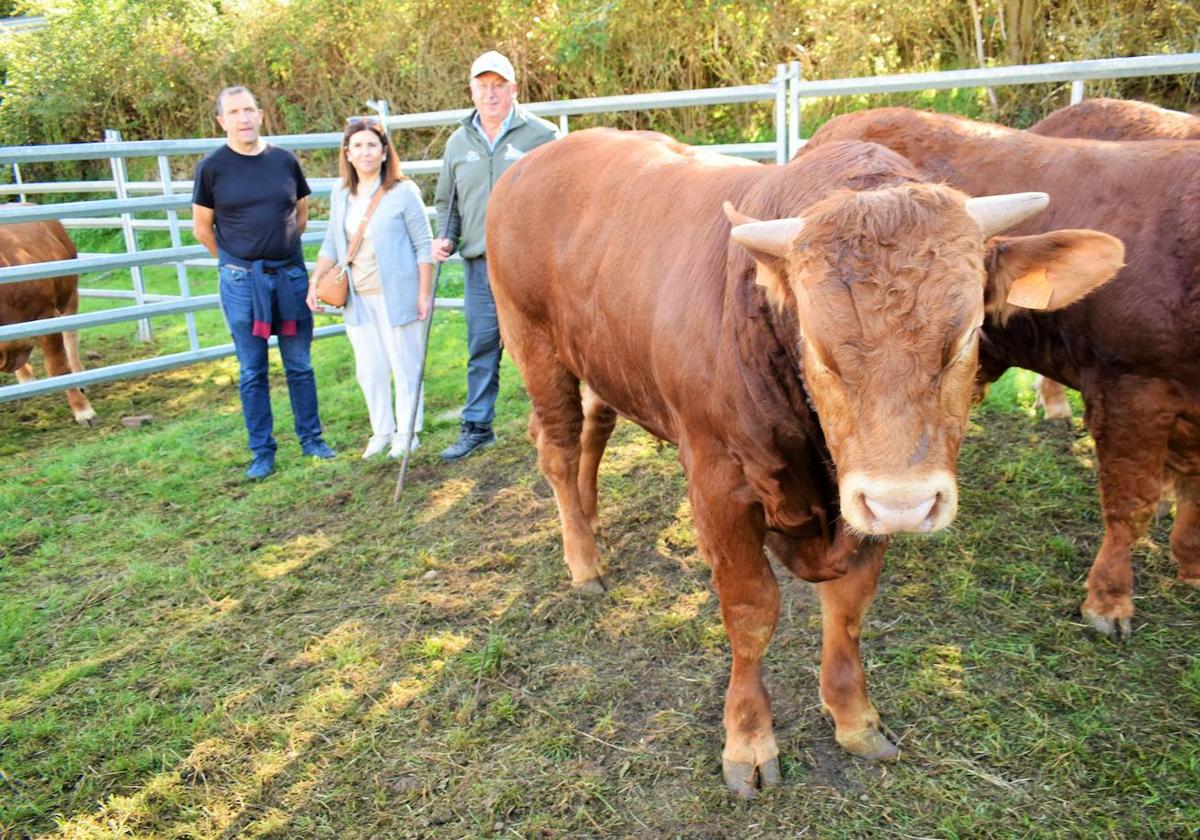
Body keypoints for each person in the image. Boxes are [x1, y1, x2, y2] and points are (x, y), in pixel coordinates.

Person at [193, 86, 334, 480]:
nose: (244, 119)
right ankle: (262, 451)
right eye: (234, 112)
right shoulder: (212, 168)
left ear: (261, 114)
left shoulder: (284, 161)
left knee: (300, 364)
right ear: (222, 120)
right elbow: (203, 228)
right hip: (242, 282)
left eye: (249, 110)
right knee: (252, 369)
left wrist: (281, 254)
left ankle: (312, 439)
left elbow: (300, 214)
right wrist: (235, 263)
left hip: (289, 275)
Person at [432, 50, 559, 460]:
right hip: (480, 263)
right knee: (482, 343)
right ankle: (477, 426)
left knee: (545, 344)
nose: (490, 94)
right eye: (482, 86)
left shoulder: (542, 136)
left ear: (513, 90)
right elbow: (445, 201)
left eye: (498, 86)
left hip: (529, 265)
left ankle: (554, 419)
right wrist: (445, 237)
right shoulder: (458, 142)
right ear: (471, 91)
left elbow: (563, 198)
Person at [307, 119, 434, 460]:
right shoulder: (340, 194)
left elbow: (424, 245)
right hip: (358, 297)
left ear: (384, 152)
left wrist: (423, 293)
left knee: (404, 364)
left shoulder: (403, 192)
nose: (365, 152)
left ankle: (408, 432)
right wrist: (315, 280)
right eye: (358, 146)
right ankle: (382, 430)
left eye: (372, 145)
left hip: (398, 294)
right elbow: (333, 242)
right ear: (347, 153)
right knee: (370, 368)